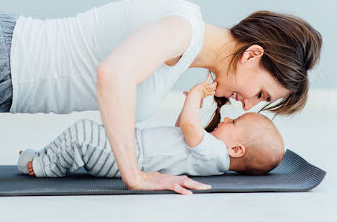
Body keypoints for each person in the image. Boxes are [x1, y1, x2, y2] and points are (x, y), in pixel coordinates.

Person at [0, 0, 322, 194]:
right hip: (1, 58)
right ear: (252, 55)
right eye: (261, 93)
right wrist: (135, 175)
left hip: (5, 85)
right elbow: (113, 74)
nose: (248, 105)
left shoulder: (184, 48)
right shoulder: (184, 28)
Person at [17, 75, 284, 194]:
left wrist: (195, 95)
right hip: (130, 148)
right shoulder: (211, 152)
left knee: (82, 133)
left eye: (233, 122)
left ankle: (41, 165)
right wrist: (189, 104)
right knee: (90, 135)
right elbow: (182, 129)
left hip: (128, 158)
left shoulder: (215, 153)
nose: (226, 118)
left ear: (236, 150)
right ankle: (48, 155)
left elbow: (191, 129)